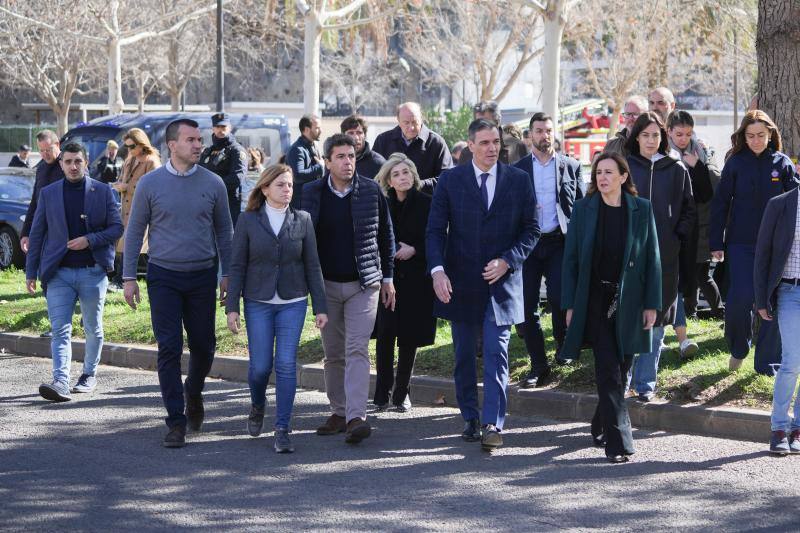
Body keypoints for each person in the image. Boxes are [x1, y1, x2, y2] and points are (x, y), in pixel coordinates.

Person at [426, 119, 538, 450]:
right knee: (463, 356)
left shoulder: (518, 180)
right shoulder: (451, 181)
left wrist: (508, 260)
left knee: (496, 352)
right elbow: (435, 230)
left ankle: (493, 423)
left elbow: (531, 229)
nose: (492, 148)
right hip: (460, 283)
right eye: (485, 143)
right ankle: (470, 417)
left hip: (501, 285)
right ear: (471, 145)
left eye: (496, 142)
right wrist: (437, 271)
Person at [122, 119, 233, 448]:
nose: (199, 145)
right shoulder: (150, 184)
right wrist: (129, 277)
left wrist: (228, 274)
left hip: (202, 275)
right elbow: (135, 231)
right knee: (169, 347)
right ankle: (175, 420)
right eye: (191, 140)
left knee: (204, 346)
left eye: (199, 139)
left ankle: (193, 392)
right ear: (172, 145)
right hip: (163, 276)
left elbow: (224, 232)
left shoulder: (213, 183)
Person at [561, 152, 661, 463]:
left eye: (608, 172)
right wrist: (569, 304)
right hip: (594, 299)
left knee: (621, 368)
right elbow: (571, 260)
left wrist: (652, 304)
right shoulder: (584, 209)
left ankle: (600, 423)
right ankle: (619, 443)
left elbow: (652, 259)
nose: (602, 177)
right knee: (607, 368)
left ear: (623, 176)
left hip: (629, 301)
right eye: (598, 173)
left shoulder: (641, 209)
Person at [226, 164, 328, 453]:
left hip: (293, 302)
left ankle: (282, 428)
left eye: (290, 185)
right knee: (260, 367)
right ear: (265, 188)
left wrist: (320, 306)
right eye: (281, 184)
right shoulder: (248, 220)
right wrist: (232, 306)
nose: (287, 190)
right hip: (258, 301)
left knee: (285, 365)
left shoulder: (302, 219)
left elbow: (312, 265)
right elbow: (237, 264)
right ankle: (258, 404)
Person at [302, 134, 395, 445]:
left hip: (363, 284)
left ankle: (356, 417)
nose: (347, 162)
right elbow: (300, 237)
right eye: (340, 157)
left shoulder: (370, 190)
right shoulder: (311, 192)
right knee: (333, 353)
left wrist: (388, 277)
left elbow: (386, 235)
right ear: (327, 162)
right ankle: (339, 412)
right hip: (325, 286)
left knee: (357, 348)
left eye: (352, 156)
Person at [24, 142, 123, 402]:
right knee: (60, 330)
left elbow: (116, 228)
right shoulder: (49, 193)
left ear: (86, 162)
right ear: (61, 164)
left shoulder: (103, 191)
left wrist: (89, 240)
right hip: (59, 273)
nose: (73, 166)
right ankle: (60, 381)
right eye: (68, 162)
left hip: (93, 272)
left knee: (92, 327)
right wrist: (31, 272)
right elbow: (37, 234)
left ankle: (89, 374)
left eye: (78, 161)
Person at [710, 110, 799, 374]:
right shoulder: (735, 163)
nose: (756, 140)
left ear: (770, 134)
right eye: (750, 136)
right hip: (741, 243)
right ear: (743, 136)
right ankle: (739, 348)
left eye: (761, 135)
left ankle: (767, 363)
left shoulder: (783, 163)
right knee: (740, 298)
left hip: (776, 247)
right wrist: (716, 242)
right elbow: (720, 203)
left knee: (773, 301)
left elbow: (795, 202)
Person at [625, 112, 695, 401]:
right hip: (629, 256)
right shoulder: (625, 166)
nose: (651, 140)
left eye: (656, 135)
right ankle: (624, 380)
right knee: (628, 319)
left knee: (656, 320)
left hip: (664, 257)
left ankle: (645, 384)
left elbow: (689, 210)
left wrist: (675, 238)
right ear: (636, 137)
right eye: (645, 135)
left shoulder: (676, 168)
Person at [512, 112, 584, 388]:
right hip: (528, 244)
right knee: (528, 305)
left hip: (558, 242)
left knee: (559, 298)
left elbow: (581, 207)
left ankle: (563, 349)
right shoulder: (518, 169)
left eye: (549, 130)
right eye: (539, 131)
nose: (545, 135)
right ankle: (538, 365)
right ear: (530, 135)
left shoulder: (571, 166)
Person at [372, 153, 437, 412]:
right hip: (388, 279)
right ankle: (381, 392)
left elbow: (436, 238)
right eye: (396, 174)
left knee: (409, 337)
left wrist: (415, 250)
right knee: (385, 335)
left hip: (416, 279)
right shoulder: (382, 204)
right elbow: (374, 238)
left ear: (414, 175)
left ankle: (402, 393)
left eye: (406, 172)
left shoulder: (427, 203)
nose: (402, 178)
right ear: (389, 180)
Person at [754, 186, 800, 455]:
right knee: (792, 361)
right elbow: (763, 253)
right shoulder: (779, 204)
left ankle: (798, 429)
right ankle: (779, 428)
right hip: (790, 291)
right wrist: (761, 299)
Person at [667, 110, 722, 323]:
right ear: (669, 132)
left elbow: (707, 192)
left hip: (700, 224)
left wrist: (697, 166)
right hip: (675, 222)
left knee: (700, 273)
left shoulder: (700, 151)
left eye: (688, 134)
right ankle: (688, 313)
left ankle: (711, 311)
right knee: (685, 272)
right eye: (679, 134)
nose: (684, 139)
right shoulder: (665, 153)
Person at [111, 128, 161, 289]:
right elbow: (123, 179)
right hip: (126, 210)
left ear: (141, 143)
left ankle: (122, 280)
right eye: (127, 147)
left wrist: (127, 187)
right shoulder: (129, 159)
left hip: (143, 211)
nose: (130, 150)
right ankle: (120, 279)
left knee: (138, 247)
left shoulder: (152, 162)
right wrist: (119, 185)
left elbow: (154, 188)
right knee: (125, 245)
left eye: (132, 146)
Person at [372, 102, 453, 192]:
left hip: (425, 198)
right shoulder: (383, 141)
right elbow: (374, 175)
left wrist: (418, 184)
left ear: (421, 119)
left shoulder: (436, 143)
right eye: (406, 123)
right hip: (390, 199)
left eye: (415, 122)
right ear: (399, 121)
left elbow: (447, 178)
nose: (411, 127)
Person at [199, 113, 248, 226]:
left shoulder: (236, 151)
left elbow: (237, 178)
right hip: (208, 204)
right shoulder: (208, 152)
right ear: (213, 128)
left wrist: (212, 188)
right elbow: (199, 174)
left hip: (229, 204)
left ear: (229, 128)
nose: (221, 130)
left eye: (224, 127)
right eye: (218, 127)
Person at [21, 130, 65, 254]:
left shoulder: (70, 164)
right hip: (42, 232)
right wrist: (25, 233)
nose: (45, 154)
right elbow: (34, 203)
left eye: (48, 150)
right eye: (41, 150)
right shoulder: (41, 169)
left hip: (64, 233)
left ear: (57, 145)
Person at [287, 114, 323, 209]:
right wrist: (320, 167)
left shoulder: (313, 146)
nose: (321, 131)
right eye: (317, 128)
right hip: (301, 203)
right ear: (307, 129)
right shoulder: (297, 149)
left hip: (313, 199)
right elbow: (298, 175)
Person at [457, 100, 510, 165]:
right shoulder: (467, 153)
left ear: (497, 122)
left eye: (486, 123)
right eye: (478, 122)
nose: (481, 126)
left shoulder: (514, 148)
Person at [340, 115, 386, 180]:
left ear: (365, 135)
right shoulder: (334, 161)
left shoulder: (378, 163)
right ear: (343, 136)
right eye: (351, 133)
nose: (356, 138)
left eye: (359, 133)